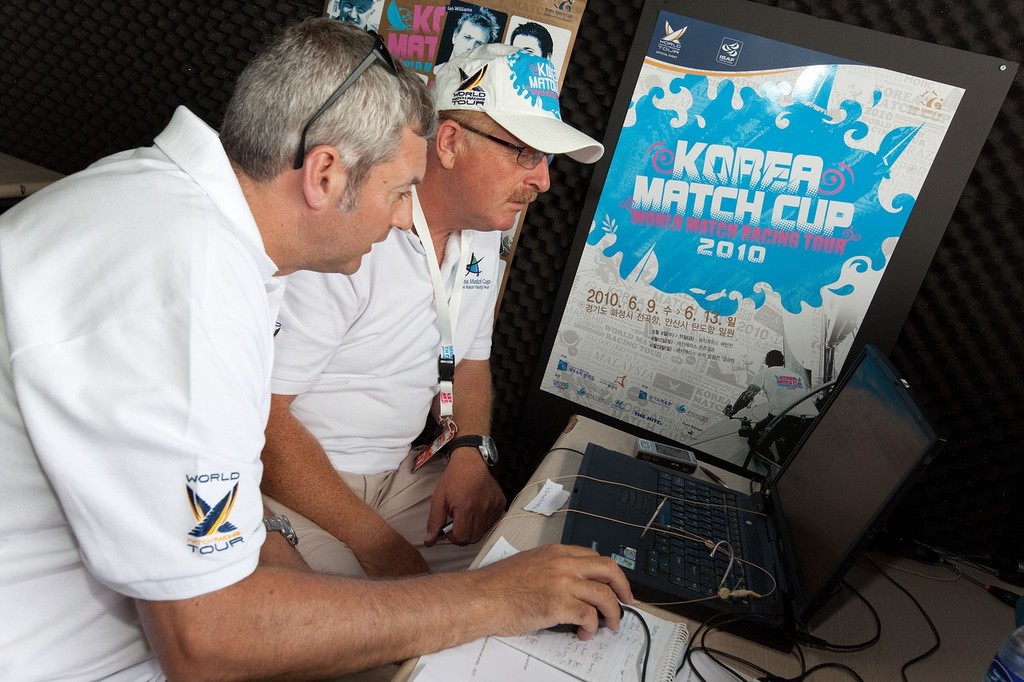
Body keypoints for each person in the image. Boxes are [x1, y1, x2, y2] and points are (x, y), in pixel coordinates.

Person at [0, 19, 631, 681]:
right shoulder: (191, 286)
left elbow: (229, 484)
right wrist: (493, 598)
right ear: (326, 174)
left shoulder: (193, 220)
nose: (399, 219)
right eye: (395, 193)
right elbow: (208, 642)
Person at [261, 43, 605, 579]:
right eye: (526, 154)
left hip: (403, 476)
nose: (543, 181)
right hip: (301, 491)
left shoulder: (487, 232)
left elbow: (469, 359)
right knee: (377, 640)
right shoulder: (349, 232)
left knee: (512, 573)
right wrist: (381, 546)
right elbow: (262, 419)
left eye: (547, 159)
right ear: (448, 142)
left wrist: (469, 450)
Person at [723, 350, 817, 462]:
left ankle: (771, 472)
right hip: (811, 418)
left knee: (755, 442)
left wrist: (733, 411)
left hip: (785, 417)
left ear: (766, 361)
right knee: (788, 452)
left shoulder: (764, 373)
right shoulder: (797, 376)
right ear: (782, 362)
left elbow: (747, 396)